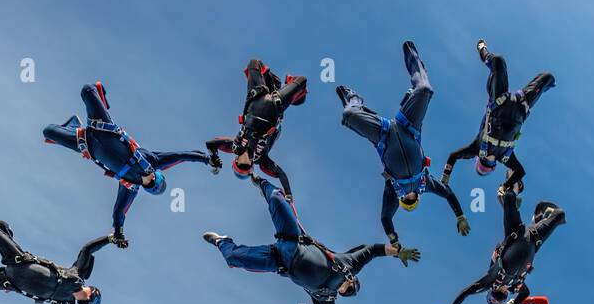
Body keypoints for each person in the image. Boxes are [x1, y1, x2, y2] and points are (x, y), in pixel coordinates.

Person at [202, 175, 418, 304]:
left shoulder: (326, 298)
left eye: (346, 293)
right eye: (349, 287)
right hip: (293, 238)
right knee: (277, 197)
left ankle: (222, 241)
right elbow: (372, 250)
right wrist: (398, 252)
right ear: (351, 278)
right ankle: (261, 182)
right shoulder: (347, 264)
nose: (345, 289)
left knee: (233, 259)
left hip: (278, 260)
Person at [43, 81, 211, 247]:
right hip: (101, 126)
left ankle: (74, 126)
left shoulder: (130, 186)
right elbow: (181, 156)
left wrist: (118, 233)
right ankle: (101, 98)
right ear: (157, 174)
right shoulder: (151, 161)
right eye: (154, 180)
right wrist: (206, 159)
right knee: (87, 89)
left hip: (86, 143)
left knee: (48, 131)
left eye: (150, 184)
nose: (150, 180)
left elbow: (119, 212)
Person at [336, 41, 468, 245]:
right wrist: (460, 216)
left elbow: (385, 218)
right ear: (417, 198)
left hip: (383, 135)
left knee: (349, 115)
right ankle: (414, 61)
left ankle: (353, 98)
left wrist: (394, 242)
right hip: (409, 127)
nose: (409, 196)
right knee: (425, 89)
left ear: (401, 201)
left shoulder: (393, 191)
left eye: (406, 200)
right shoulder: (426, 184)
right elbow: (448, 193)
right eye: (411, 199)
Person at [441, 39, 554, 194]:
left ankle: (483, 51)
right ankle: (545, 86)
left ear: (479, 159)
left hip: (500, 102)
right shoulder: (505, 157)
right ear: (493, 167)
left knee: (498, 61)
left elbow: (453, 156)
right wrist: (505, 186)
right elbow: (520, 172)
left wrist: (445, 178)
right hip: (521, 105)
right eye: (487, 168)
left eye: (483, 165)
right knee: (548, 77)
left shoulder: (476, 148)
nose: (486, 164)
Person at [447, 190, 566, 304]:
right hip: (535, 238)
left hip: (515, 232)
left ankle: (510, 199)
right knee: (560, 215)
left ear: (490, 291)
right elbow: (525, 293)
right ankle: (537, 218)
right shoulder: (516, 286)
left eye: (492, 299)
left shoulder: (490, 280)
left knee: (508, 195)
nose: (496, 299)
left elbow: (466, 292)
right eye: (497, 301)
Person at [206, 59, 308, 198]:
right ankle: (278, 86)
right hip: (275, 106)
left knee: (254, 63)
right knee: (302, 82)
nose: (244, 164)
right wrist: (288, 194)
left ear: (236, 161)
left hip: (257, 98)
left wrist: (214, 158)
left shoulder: (234, 147)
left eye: (241, 165)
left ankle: (271, 81)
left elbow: (210, 144)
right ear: (251, 166)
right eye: (246, 166)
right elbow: (280, 174)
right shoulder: (261, 160)